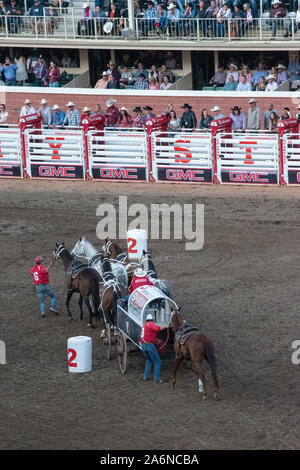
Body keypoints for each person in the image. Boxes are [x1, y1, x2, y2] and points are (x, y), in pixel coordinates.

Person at [140, 312, 164, 383]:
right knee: (157, 361)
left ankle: (145, 376)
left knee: (149, 359)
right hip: (149, 345)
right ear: (152, 320)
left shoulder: (144, 326)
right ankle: (156, 379)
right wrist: (166, 327)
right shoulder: (150, 324)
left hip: (143, 345)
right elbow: (158, 329)